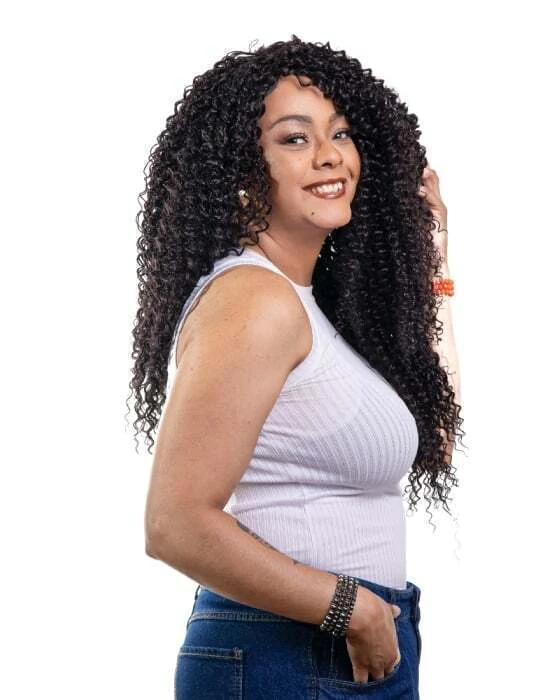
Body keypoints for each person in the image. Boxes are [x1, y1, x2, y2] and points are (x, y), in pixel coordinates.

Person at [133, 35, 464, 699]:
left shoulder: (312, 307)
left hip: (345, 646)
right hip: (291, 650)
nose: (330, 155)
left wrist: (436, 266)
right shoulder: (256, 300)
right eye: (294, 138)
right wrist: (350, 607)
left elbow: (437, 438)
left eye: (340, 133)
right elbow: (174, 523)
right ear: (241, 170)